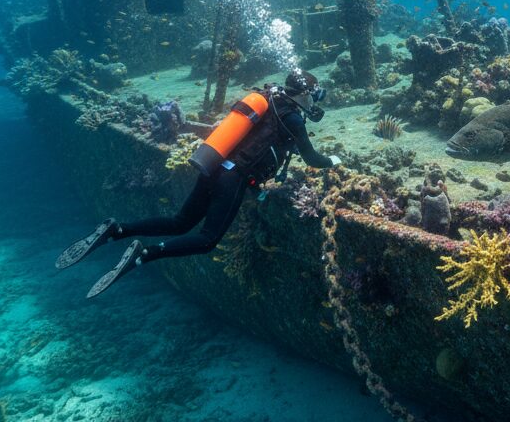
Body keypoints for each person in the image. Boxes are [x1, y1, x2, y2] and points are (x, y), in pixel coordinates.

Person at [57, 71, 338, 298]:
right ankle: (145, 254)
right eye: (314, 97)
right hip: (235, 177)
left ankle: (117, 230)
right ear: (303, 94)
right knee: (206, 240)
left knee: (180, 221)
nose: (315, 103)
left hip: (215, 166)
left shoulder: (269, 98)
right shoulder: (291, 118)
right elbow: (311, 158)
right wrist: (333, 161)